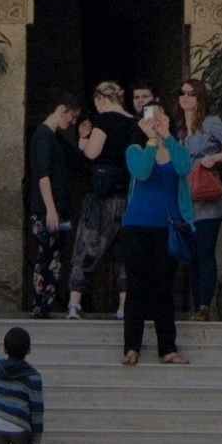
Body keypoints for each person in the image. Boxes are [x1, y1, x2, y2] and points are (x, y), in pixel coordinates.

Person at [118, 102, 193, 362]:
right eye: (150, 115)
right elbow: (141, 171)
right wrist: (151, 141)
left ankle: (168, 349)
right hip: (136, 227)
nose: (156, 119)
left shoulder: (176, 148)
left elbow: (185, 168)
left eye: (160, 114)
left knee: (164, 289)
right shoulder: (135, 148)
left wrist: (167, 138)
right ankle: (131, 347)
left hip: (168, 228)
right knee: (136, 287)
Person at [173, 73, 222, 318]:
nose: (185, 98)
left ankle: (205, 305)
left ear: (200, 98)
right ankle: (196, 306)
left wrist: (215, 157)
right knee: (191, 256)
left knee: (204, 252)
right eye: (182, 93)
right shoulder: (181, 130)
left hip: (207, 197)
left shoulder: (212, 123)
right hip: (187, 198)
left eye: (190, 94)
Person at [65, 104, 130, 315]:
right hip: (126, 198)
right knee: (123, 255)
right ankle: (123, 307)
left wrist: (83, 139)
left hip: (101, 201)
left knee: (86, 250)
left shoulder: (102, 125)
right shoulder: (134, 125)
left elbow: (86, 159)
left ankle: (74, 303)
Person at [25, 97, 79, 315]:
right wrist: (50, 209)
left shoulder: (55, 138)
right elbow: (43, 175)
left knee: (54, 257)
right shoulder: (43, 137)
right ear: (62, 109)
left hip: (54, 209)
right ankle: (40, 303)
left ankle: (45, 302)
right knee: (46, 256)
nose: (72, 121)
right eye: (72, 116)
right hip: (45, 209)